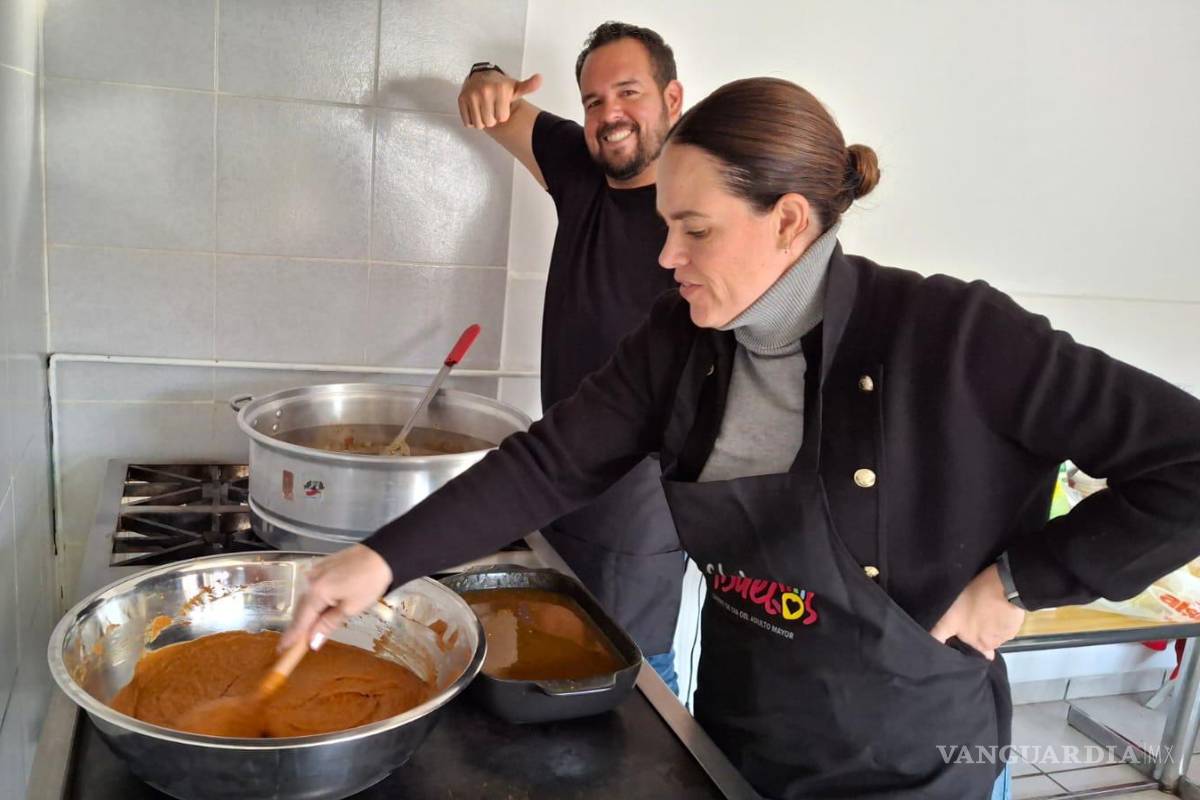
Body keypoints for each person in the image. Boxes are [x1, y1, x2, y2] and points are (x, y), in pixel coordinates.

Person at [284, 78, 1200, 799]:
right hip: (735, 742)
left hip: (911, 765)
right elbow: (551, 460)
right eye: (665, 226)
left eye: (694, 229)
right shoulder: (681, 342)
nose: (666, 256)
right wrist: (377, 562)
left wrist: (1021, 582)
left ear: (789, 221)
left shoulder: (952, 335)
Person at [453, 21, 688, 691]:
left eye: (628, 92)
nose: (608, 114)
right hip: (557, 474)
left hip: (643, 505)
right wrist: (484, 77)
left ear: (673, 98)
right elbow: (495, 104)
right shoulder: (582, 169)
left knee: (637, 681)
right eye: (592, 100)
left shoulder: (703, 206)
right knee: (551, 659)